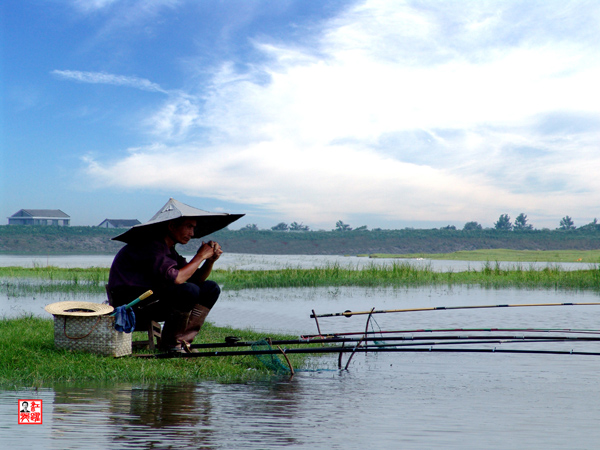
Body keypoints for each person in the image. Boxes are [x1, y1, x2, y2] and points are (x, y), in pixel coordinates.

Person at [107, 217, 224, 353]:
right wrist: (200, 256)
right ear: (172, 226)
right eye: (189, 226)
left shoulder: (168, 250)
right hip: (133, 307)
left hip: (151, 301)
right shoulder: (150, 246)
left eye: (193, 228)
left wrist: (209, 261)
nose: (192, 233)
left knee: (210, 288)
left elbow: (196, 279)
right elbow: (178, 279)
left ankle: (182, 342)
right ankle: (171, 345)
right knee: (188, 290)